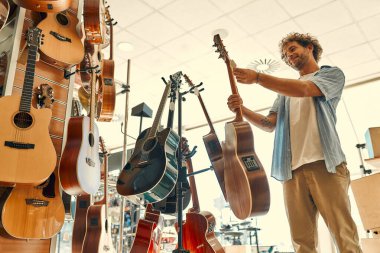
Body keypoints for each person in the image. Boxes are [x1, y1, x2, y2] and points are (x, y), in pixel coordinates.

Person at [227, 32, 362, 253]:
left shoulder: (330, 75)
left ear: (309, 47)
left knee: (343, 235)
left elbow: (307, 89)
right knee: (301, 242)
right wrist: (241, 109)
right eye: (285, 55)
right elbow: (269, 124)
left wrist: (258, 78)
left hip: (326, 165)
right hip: (291, 172)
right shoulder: (283, 94)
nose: (289, 56)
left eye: (292, 49)